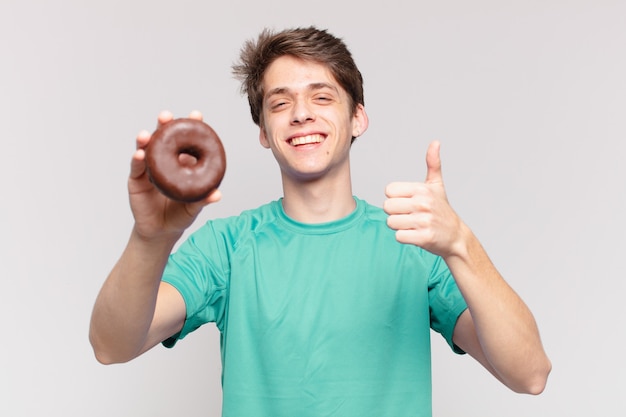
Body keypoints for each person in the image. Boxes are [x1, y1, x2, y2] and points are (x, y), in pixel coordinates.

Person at [89, 26, 551, 416]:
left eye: (322, 96)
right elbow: (112, 346)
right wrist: (151, 237)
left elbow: (529, 374)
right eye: (279, 103)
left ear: (357, 118)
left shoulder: (414, 243)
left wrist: (459, 245)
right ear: (264, 134)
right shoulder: (226, 247)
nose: (302, 113)